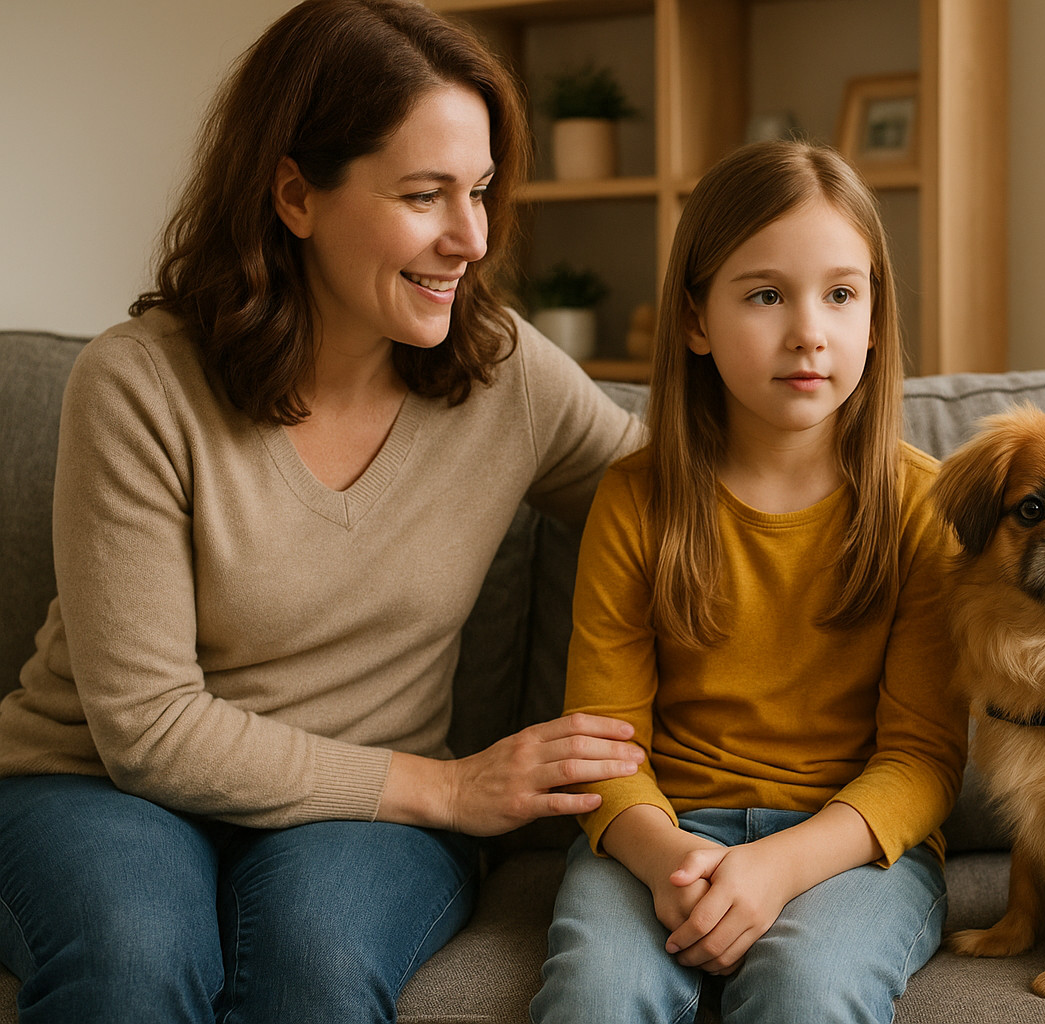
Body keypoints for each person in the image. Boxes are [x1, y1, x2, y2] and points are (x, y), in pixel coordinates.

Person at [0, 1, 646, 1021]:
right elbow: (148, 729)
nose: (471, 238)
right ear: (295, 194)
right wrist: (449, 790)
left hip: (358, 829)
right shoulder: (137, 385)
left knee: (317, 965)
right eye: (424, 195)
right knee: (135, 960)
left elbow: (699, 498)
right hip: (101, 787)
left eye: (479, 192)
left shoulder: (506, 376)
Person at [529, 140, 970, 1024]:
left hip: (848, 848)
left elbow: (923, 761)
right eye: (766, 294)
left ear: (875, 318)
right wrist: (672, 862)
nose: (809, 329)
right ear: (694, 320)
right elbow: (606, 745)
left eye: (841, 294)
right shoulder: (635, 500)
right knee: (595, 996)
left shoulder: (925, 506)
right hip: (660, 831)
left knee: (807, 994)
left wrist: (777, 869)